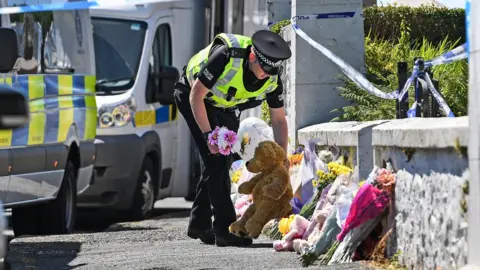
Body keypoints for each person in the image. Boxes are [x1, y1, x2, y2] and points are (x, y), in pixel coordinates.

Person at [174, 29, 292, 247]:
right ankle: (226, 230)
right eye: (263, 68)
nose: (267, 74)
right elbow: (196, 95)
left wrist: (281, 155)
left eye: (272, 70)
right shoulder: (227, 55)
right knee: (215, 160)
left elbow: (278, 120)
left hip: (225, 106)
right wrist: (209, 135)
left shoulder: (273, 77)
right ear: (252, 57)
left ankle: (199, 223)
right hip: (194, 97)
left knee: (221, 161)